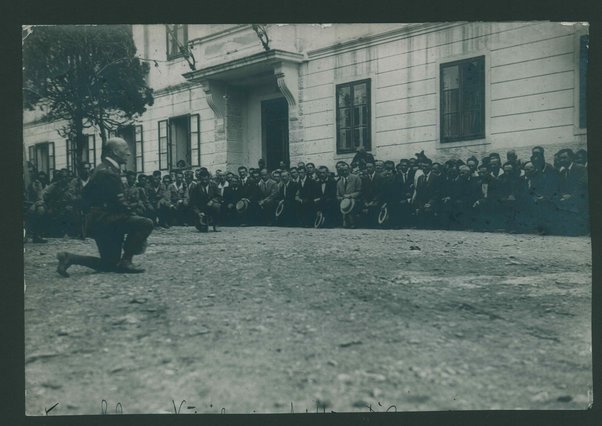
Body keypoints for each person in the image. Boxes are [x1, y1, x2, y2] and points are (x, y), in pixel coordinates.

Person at [56, 138, 154, 276]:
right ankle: (126, 260)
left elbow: (85, 195)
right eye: (126, 149)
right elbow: (120, 202)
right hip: (107, 221)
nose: (129, 153)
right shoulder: (107, 172)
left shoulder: (103, 168)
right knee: (145, 223)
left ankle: (70, 258)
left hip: (101, 220)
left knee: (109, 265)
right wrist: (135, 218)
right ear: (115, 151)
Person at [336, 162, 362, 228]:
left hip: (355, 201)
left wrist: (350, 196)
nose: (344, 172)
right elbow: (337, 195)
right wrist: (342, 198)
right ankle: (345, 221)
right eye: (342, 170)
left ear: (349, 169)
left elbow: (360, 191)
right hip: (344, 204)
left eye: (346, 170)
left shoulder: (356, 178)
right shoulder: (339, 182)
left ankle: (353, 222)